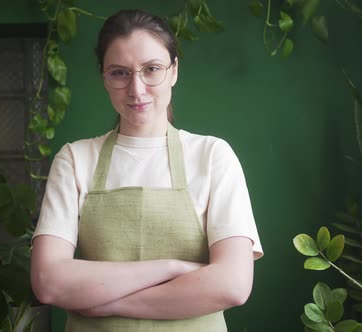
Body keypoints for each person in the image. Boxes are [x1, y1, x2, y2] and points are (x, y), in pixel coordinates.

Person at [30, 9, 263, 331]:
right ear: (104, 77)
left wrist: (111, 304)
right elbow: (48, 281)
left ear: (174, 71)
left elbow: (232, 285)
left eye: (151, 69)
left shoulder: (212, 156)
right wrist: (171, 268)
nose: (136, 90)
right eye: (119, 73)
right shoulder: (74, 160)